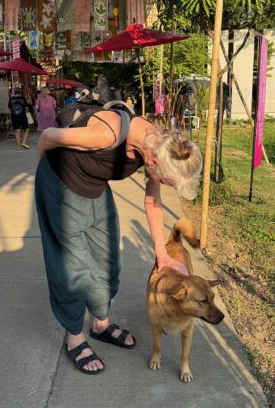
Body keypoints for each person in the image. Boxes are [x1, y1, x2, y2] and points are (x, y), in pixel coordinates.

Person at [35, 108, 203, 375]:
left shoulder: (159, 146)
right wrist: (48, 179)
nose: (161, 184)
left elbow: (152, 201)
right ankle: (75, 337)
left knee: (108, 261)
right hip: (60, 185)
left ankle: (100, 324)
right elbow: (47, 137)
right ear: (155, 163)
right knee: (73, 267)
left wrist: (163, 255)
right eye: (165, 181)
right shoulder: (106, 133)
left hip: (94, 188)